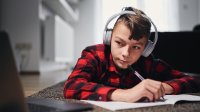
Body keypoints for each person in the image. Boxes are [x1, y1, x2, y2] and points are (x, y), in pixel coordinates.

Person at [63, 7, 200, 102]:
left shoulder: (148, 63)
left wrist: (163, 87)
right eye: (120, 43)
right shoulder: (94, 55)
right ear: (108, 38)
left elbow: (193, 80)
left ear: (146, 48)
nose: (125, 54)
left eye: (136, 47)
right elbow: (71, 86)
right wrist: (125, 95)